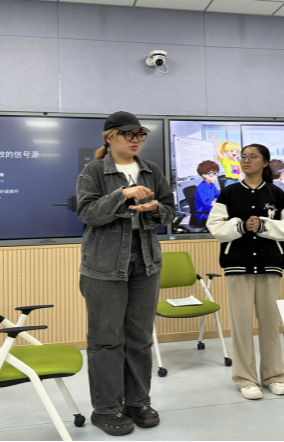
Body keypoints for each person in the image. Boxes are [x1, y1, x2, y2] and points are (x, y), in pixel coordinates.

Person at [76, 111, 176, 436]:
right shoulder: (94, 171)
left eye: (140, 134)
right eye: (128, 134)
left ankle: (137, 402)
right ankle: (106, 408)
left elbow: (170, 210)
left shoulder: (151, 170)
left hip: (146, 261)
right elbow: (88, 213)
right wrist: (123, 194)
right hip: (104, 263)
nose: (136, 140)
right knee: (106, 340)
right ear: (110, 137)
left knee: (140, 338)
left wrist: (155, 210)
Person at [207, 144, 284, 401]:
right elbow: (214, 226)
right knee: (241, 324)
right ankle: (245, 379)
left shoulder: (276, 193)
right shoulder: (229, 192)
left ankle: (274, 376)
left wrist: (263, 225)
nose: (246, 160)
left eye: (253, 157)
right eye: (243, 157)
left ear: (265, 162)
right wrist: (240, 227)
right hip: (237, 264)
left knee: (270, 323)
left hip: (270, 264)